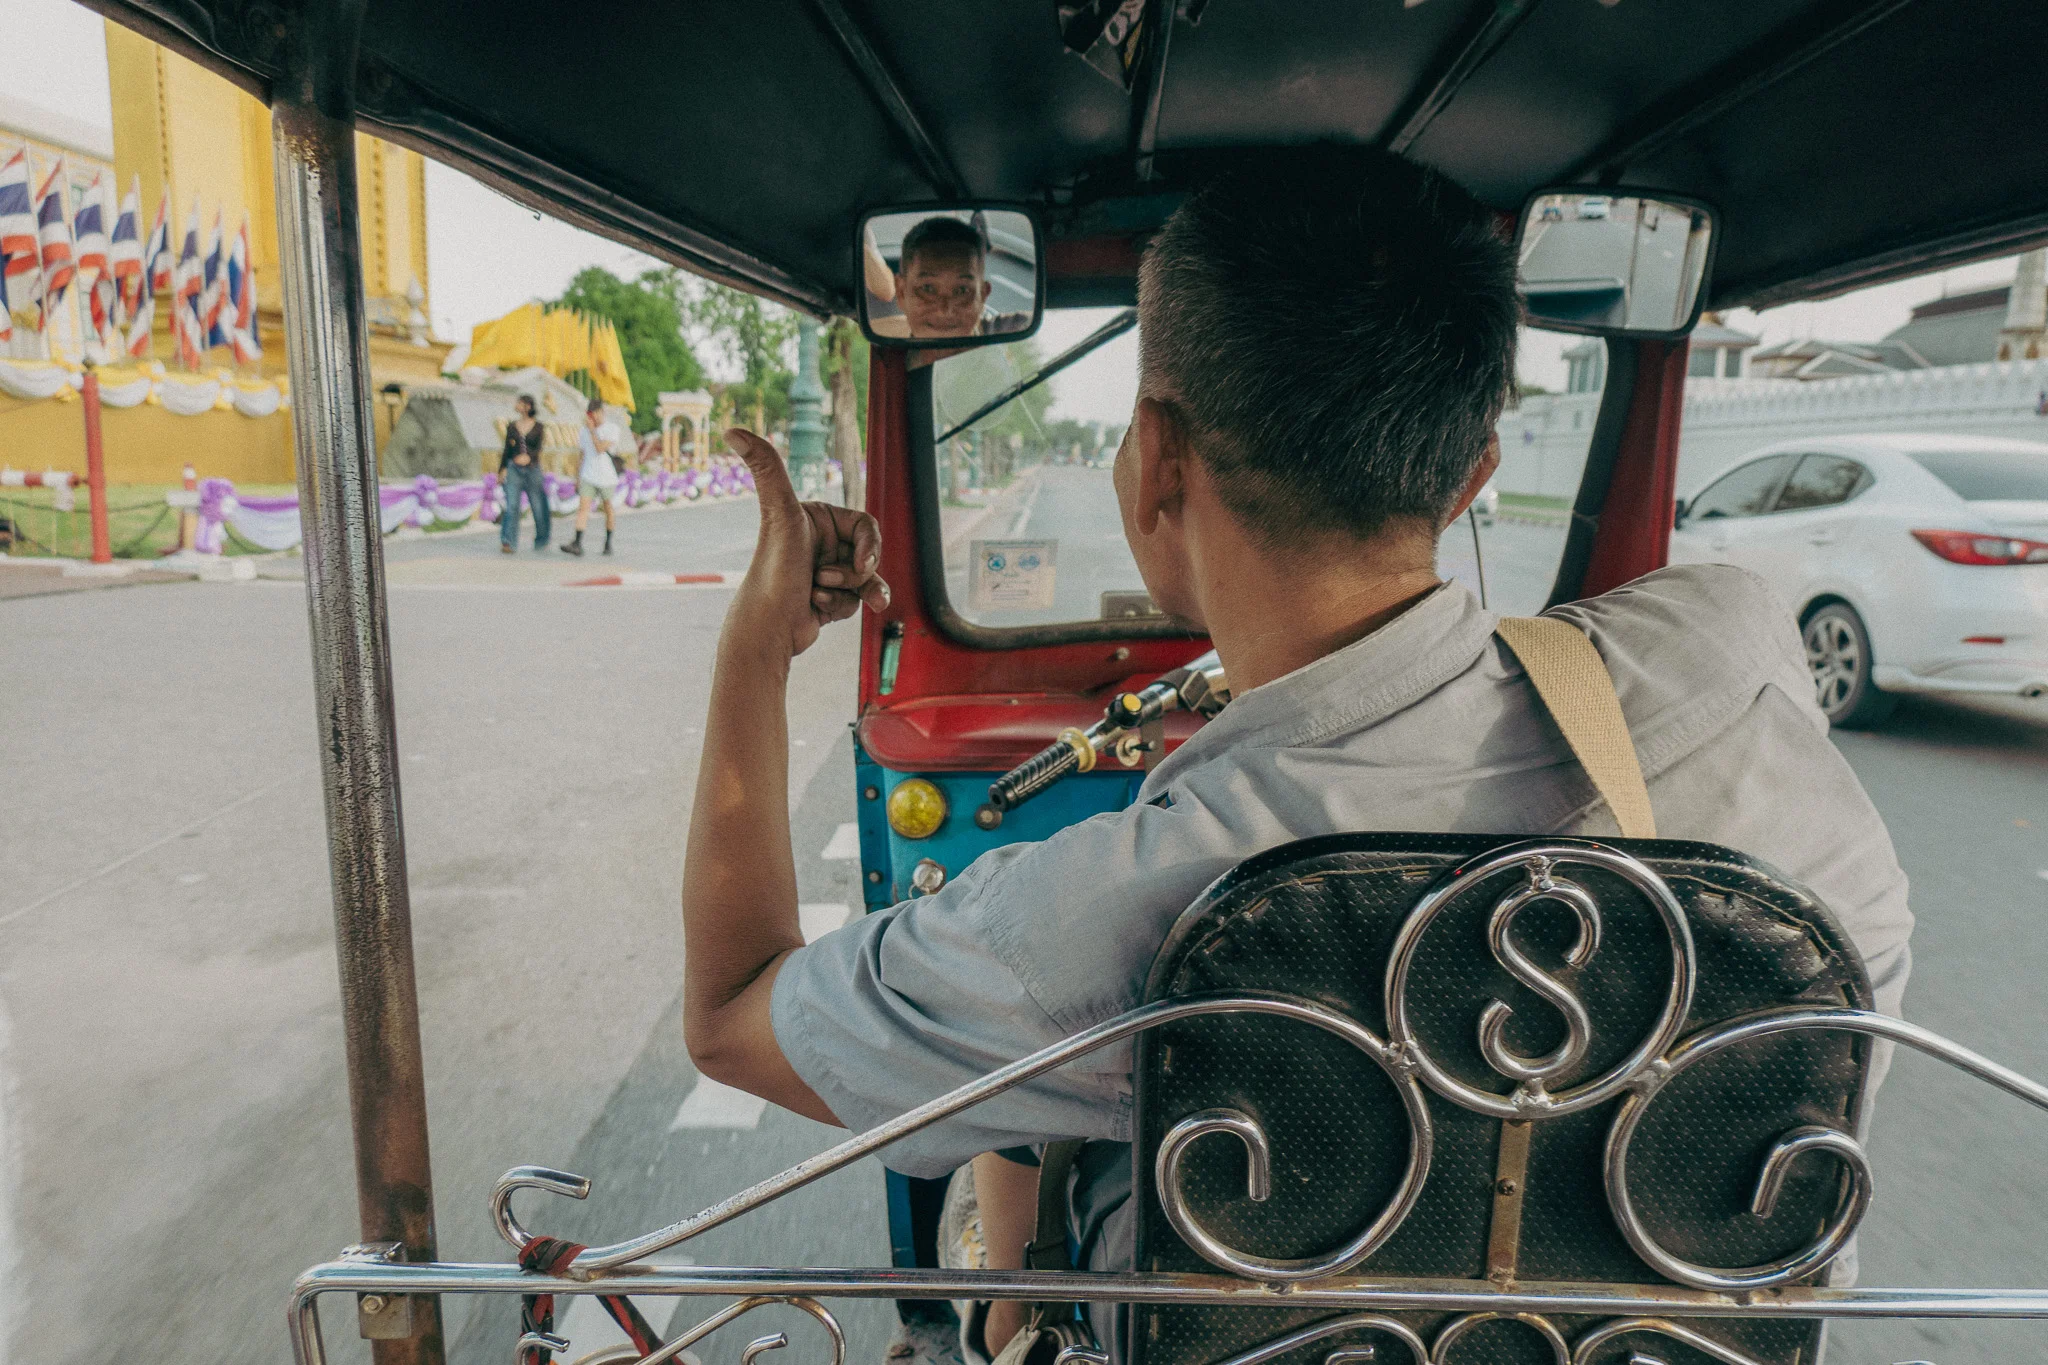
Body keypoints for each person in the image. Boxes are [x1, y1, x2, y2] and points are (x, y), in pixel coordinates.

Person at [681, 150, 1914, 1361]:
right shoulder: (1730, 650)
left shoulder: (1117, 909)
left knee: (1011, 1145)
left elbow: (734, 1017)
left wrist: (755, 656)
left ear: (1155, 458)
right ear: (1474, 469)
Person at [865, 215, 1033, 341]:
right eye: (928, 289)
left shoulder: (1011, 333)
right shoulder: (879, 340)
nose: (944, 309)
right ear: (901, 293)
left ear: (983, 295)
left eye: (961, 290)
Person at [562, 396, 620, 557]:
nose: (593, 418)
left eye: (595, 414)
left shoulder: (611, 429)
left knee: (608, 509)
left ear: (601, 412)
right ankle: (577, 542)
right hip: (588, 474)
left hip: (606, 476)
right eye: (590, 414)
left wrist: (593, 431)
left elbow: (600, 448)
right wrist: (577, 477)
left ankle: (608, 543)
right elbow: (581, 454)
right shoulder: (583, 431)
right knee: (583, 509)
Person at [499, 394, 549, 553]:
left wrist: (529, 457)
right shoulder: (512, 426)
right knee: (512, 505)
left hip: (532, 469)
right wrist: (502, 469)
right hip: (514, 469)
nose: (517, 405)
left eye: (520, 403)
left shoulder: (539, 427)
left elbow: (538, 448)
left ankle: (542, 539)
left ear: (528, 406)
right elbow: (507, 449)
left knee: (537, 505)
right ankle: (508, 541)